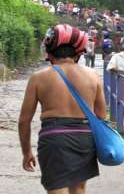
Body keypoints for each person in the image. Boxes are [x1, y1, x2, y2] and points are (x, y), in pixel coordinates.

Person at [18, 24, 106, 194]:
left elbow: (24, 121)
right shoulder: (92, 76)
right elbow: (101, 115)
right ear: (78, 52)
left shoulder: (38, 78)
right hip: (84, 139)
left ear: (50, 51)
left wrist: (26, 152)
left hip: (54, 139)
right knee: (79, 189)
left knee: (57, 189)